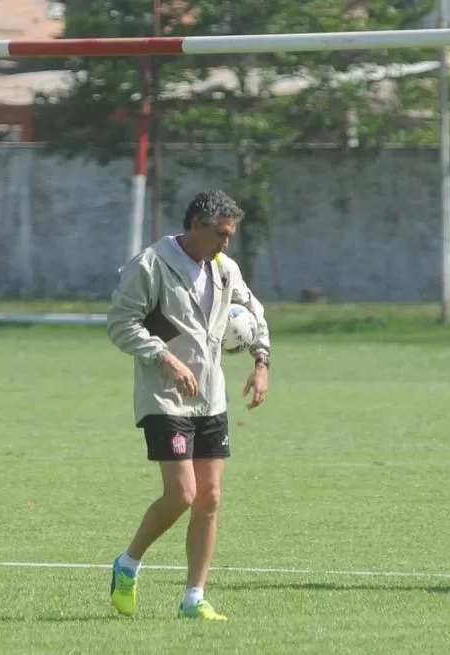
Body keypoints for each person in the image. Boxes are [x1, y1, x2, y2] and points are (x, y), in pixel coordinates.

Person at [106, 189, 271, 621]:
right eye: (220, 234)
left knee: (210, 498)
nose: (226, 243)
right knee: (182, 494)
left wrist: (261, 360)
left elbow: (253, 311)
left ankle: (194, 599)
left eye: (231, 235)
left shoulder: (224, 268)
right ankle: (128, 563)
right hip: (165, 397)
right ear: (195, 225)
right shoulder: (150, 265)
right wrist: (165, 357)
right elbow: (120, 324)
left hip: (211, 398)